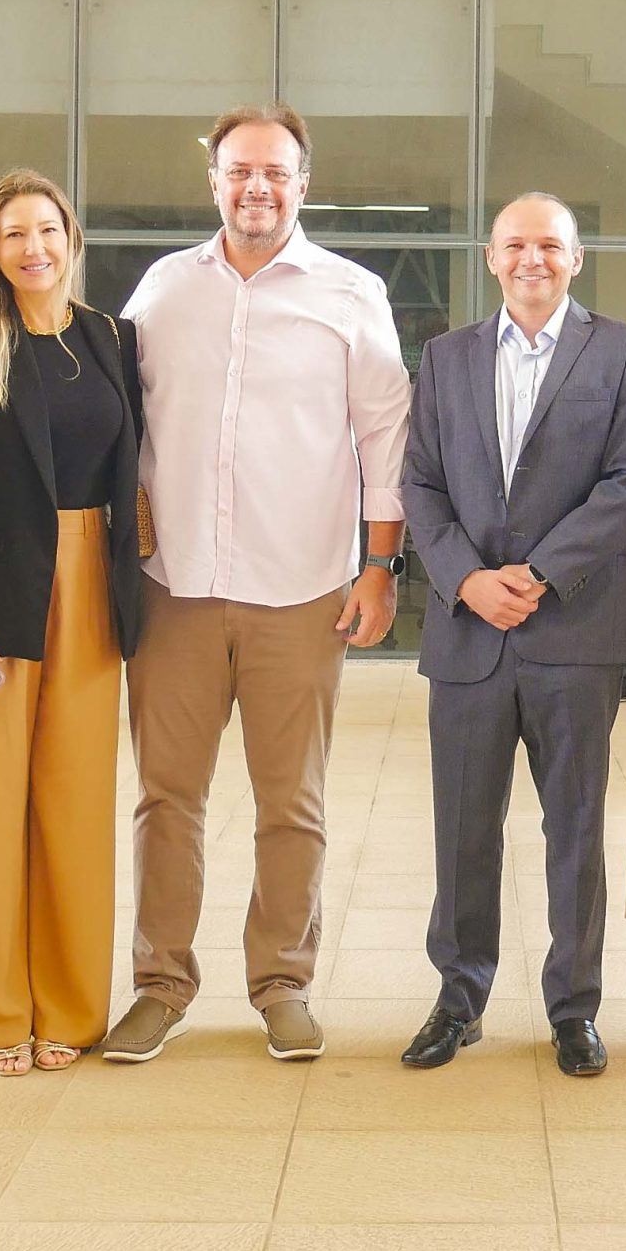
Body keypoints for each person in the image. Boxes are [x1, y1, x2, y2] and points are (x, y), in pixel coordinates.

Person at [103, 104, 411, 1064]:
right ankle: (160, 984)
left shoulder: (352, 293)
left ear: (303, 184)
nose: (257, 188)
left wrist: (379, 569)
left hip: (303, 588)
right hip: (175, 588)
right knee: (166, 799)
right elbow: (122, 428)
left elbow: (385, 441)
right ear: (214, 181)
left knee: (292, 805)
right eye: (240, 170)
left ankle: (283, 983)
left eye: (276, 172)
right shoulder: (162, 289)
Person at [398, 195, 626, 1077]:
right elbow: (421, 483)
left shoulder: (621, 350)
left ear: (576, 258)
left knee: (576, 829)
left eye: (550, 245)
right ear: (491, 256)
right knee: (463, 828)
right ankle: (458, 999)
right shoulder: (446, 357)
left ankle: (574, 1009)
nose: (532, 259)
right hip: (469, 632)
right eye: (516, 245)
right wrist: (469, 580)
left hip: (576, 630)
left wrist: (540, 574)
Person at [0, 176, 144, 1074]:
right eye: (13, 233)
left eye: (46, 229)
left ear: (71, 237)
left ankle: (71, 1007)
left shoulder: (112, 339)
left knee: (75, 803)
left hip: (92, 579)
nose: (33, 248)